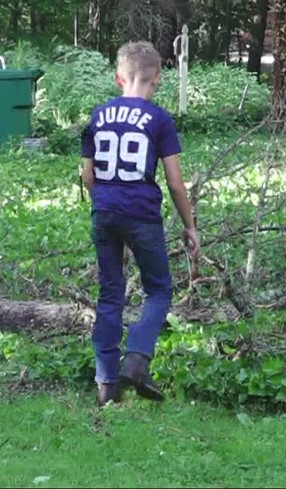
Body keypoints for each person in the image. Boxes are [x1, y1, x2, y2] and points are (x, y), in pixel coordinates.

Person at [80, 41, 200, 406]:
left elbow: (87, 176)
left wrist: (104, 199)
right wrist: (190, 225)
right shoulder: (159, 120)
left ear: (119, 78)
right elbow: (176, 182)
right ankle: (136, 359)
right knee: (159, 290)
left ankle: (106, 385)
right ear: (157, 80)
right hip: (142, 213)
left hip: (104, 212)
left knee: (111, 294)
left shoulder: (98, 116)